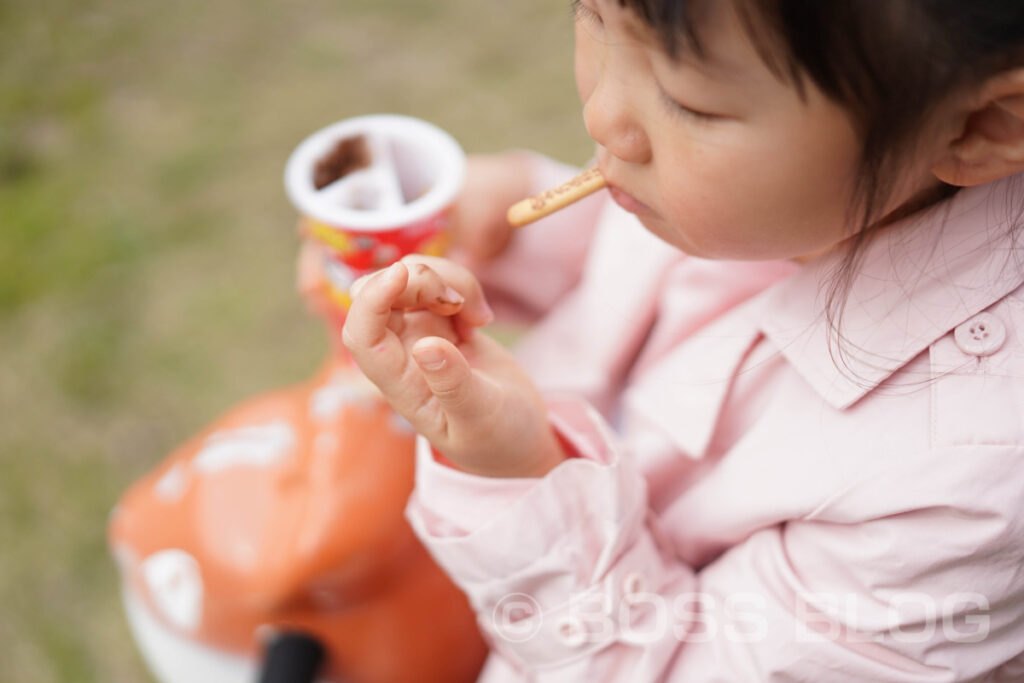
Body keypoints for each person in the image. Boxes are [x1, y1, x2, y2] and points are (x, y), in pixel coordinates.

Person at [341, 1, 1024, 679]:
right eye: (595, 20)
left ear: (981, 126)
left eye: (689, 101)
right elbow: (679, 278)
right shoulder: (777, 186)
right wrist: (514, 231)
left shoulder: (963, 489)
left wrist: (521, 474)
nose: (604, 116)